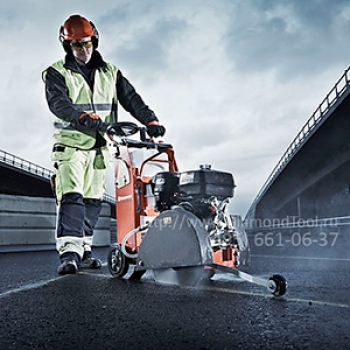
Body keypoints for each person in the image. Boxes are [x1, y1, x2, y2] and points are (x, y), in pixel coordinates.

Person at [42, 14, 166, 275]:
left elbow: (131, 99)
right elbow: (60, 105)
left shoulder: (110, 72)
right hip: (71, 146)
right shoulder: (56, 72)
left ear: (94, 40)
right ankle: (69, 253)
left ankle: (84, 251)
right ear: (68, 46)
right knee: (72, 197)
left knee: (93, 201)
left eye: (87, 43)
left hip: (99, 147)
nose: (83, 50)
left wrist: (150, 120)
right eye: (77, 45)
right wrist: (85, 118)